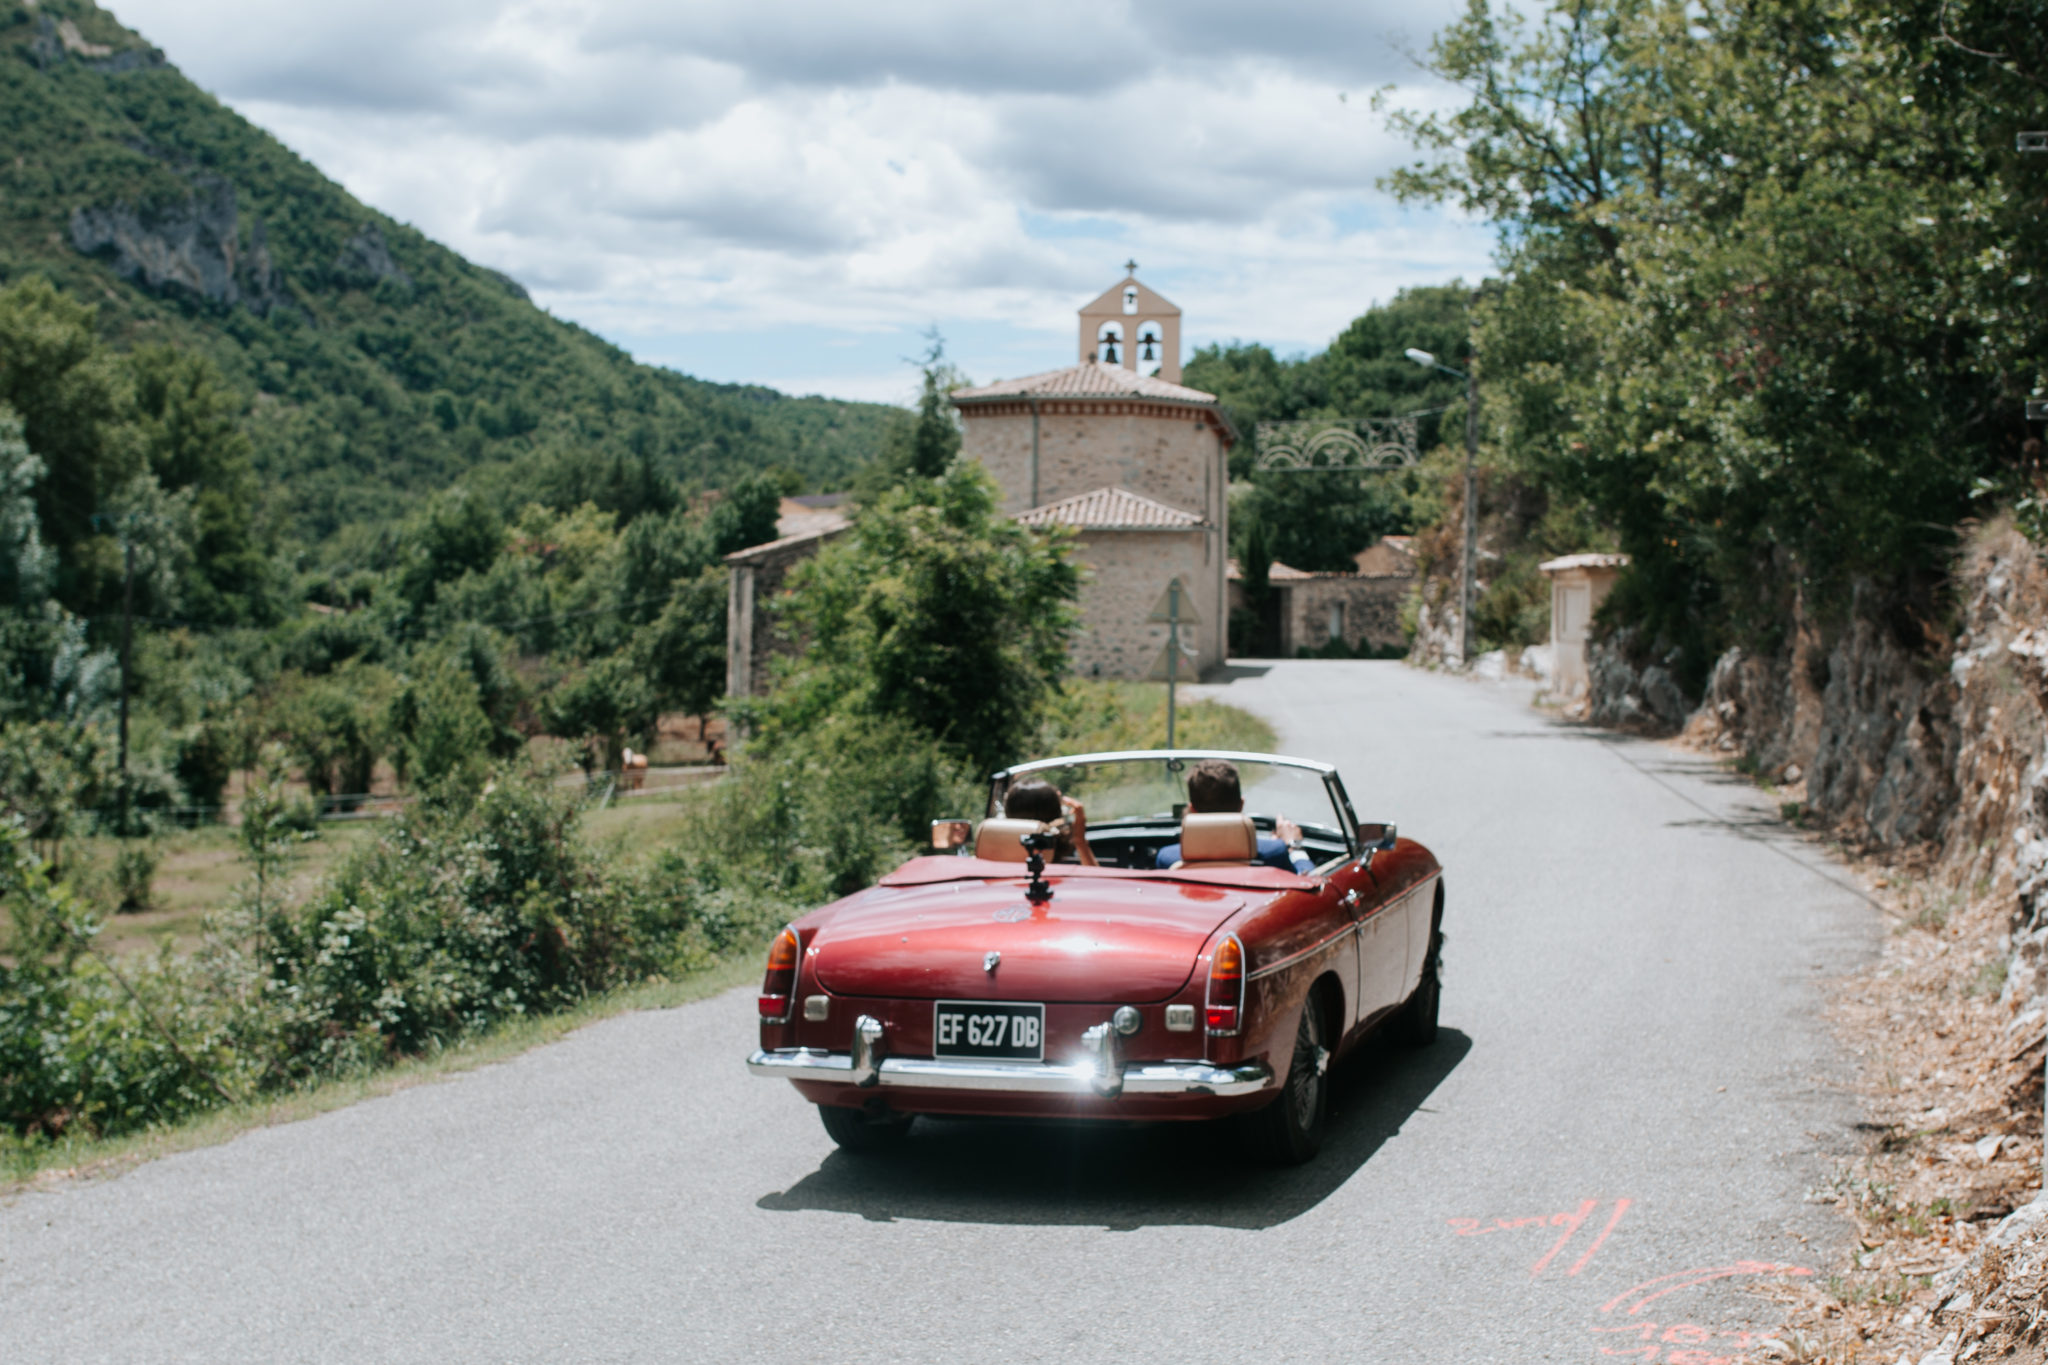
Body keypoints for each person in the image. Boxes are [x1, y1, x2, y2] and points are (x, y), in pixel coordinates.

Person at [1155, 759, 1313, 873]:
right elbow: (1308, 881)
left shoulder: (1169, 858)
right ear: (1241, 804)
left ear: (1192, 809)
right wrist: (1294, 846)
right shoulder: (1273, 852)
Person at [1003, 779, 1098, 866]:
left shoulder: (997, 850)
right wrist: (1080, 841)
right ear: (1057, 812)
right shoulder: (1058, 851)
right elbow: (1096, 883)